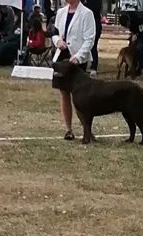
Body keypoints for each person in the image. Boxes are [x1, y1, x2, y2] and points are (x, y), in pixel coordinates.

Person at [51, 0, 96, 140]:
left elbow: (89, 39)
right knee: (64, 94)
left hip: (77, 59)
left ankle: (87, 131)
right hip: (62, 58)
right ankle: (68, 129)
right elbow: (54, 32)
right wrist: (57, 40)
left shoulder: (87, 14)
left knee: (82, 97)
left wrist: (78, 56)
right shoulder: (60, 12)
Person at [83, 0, 101, 76]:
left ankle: (94, 68)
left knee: (93, 46)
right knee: (83, 46)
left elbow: (95, 10)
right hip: (85, 25)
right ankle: (83, 66)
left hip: (95, 24)